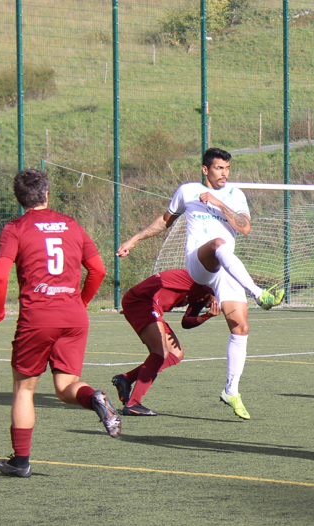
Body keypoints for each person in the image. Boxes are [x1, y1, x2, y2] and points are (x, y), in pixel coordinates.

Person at [117, 147, 284, 420]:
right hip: (200, 263)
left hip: (226, 267)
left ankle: (231, 390)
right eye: (219, 168)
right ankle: (259, 293)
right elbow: (164, 221)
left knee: (241, 327)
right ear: (206, 169)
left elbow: (244, 227)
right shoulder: (187, 191)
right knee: (217, 244)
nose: (225, 174)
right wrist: (133, 240)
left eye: (228, 169)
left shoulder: (235, 195)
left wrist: (220, 205)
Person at [0, 169, 118, 478]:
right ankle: (94, 397)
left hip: (38, 317)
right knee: (66, 386)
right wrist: (80, 302)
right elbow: (97, 269)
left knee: (23, 390)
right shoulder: (71, 224)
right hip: (73, 316)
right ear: (47, 193)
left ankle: (20, 462)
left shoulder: (15, 228)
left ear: (19, 198)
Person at [112, 269, 221, 416]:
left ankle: (126, 379)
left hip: (150, 305)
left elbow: (187, 322)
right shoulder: (203, 283)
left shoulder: (204, 294)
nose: (215, 306)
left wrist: (207, 315)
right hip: (142, 301)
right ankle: (133, 404)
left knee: (176, 353)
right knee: (160, 353)